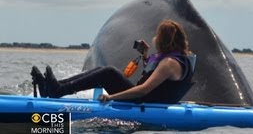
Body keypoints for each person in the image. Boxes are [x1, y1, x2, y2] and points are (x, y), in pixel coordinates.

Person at [30, 19, 195, 103]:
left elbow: (144, 90)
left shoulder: (169, 63)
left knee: (108, 73)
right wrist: (145, 56)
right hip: (148, 98)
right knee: (104, 70)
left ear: (163, 40)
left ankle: (57, 90)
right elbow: (158, 80)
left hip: (143, 101)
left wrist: (111, 97)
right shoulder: (174, 59)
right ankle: (55, 87)